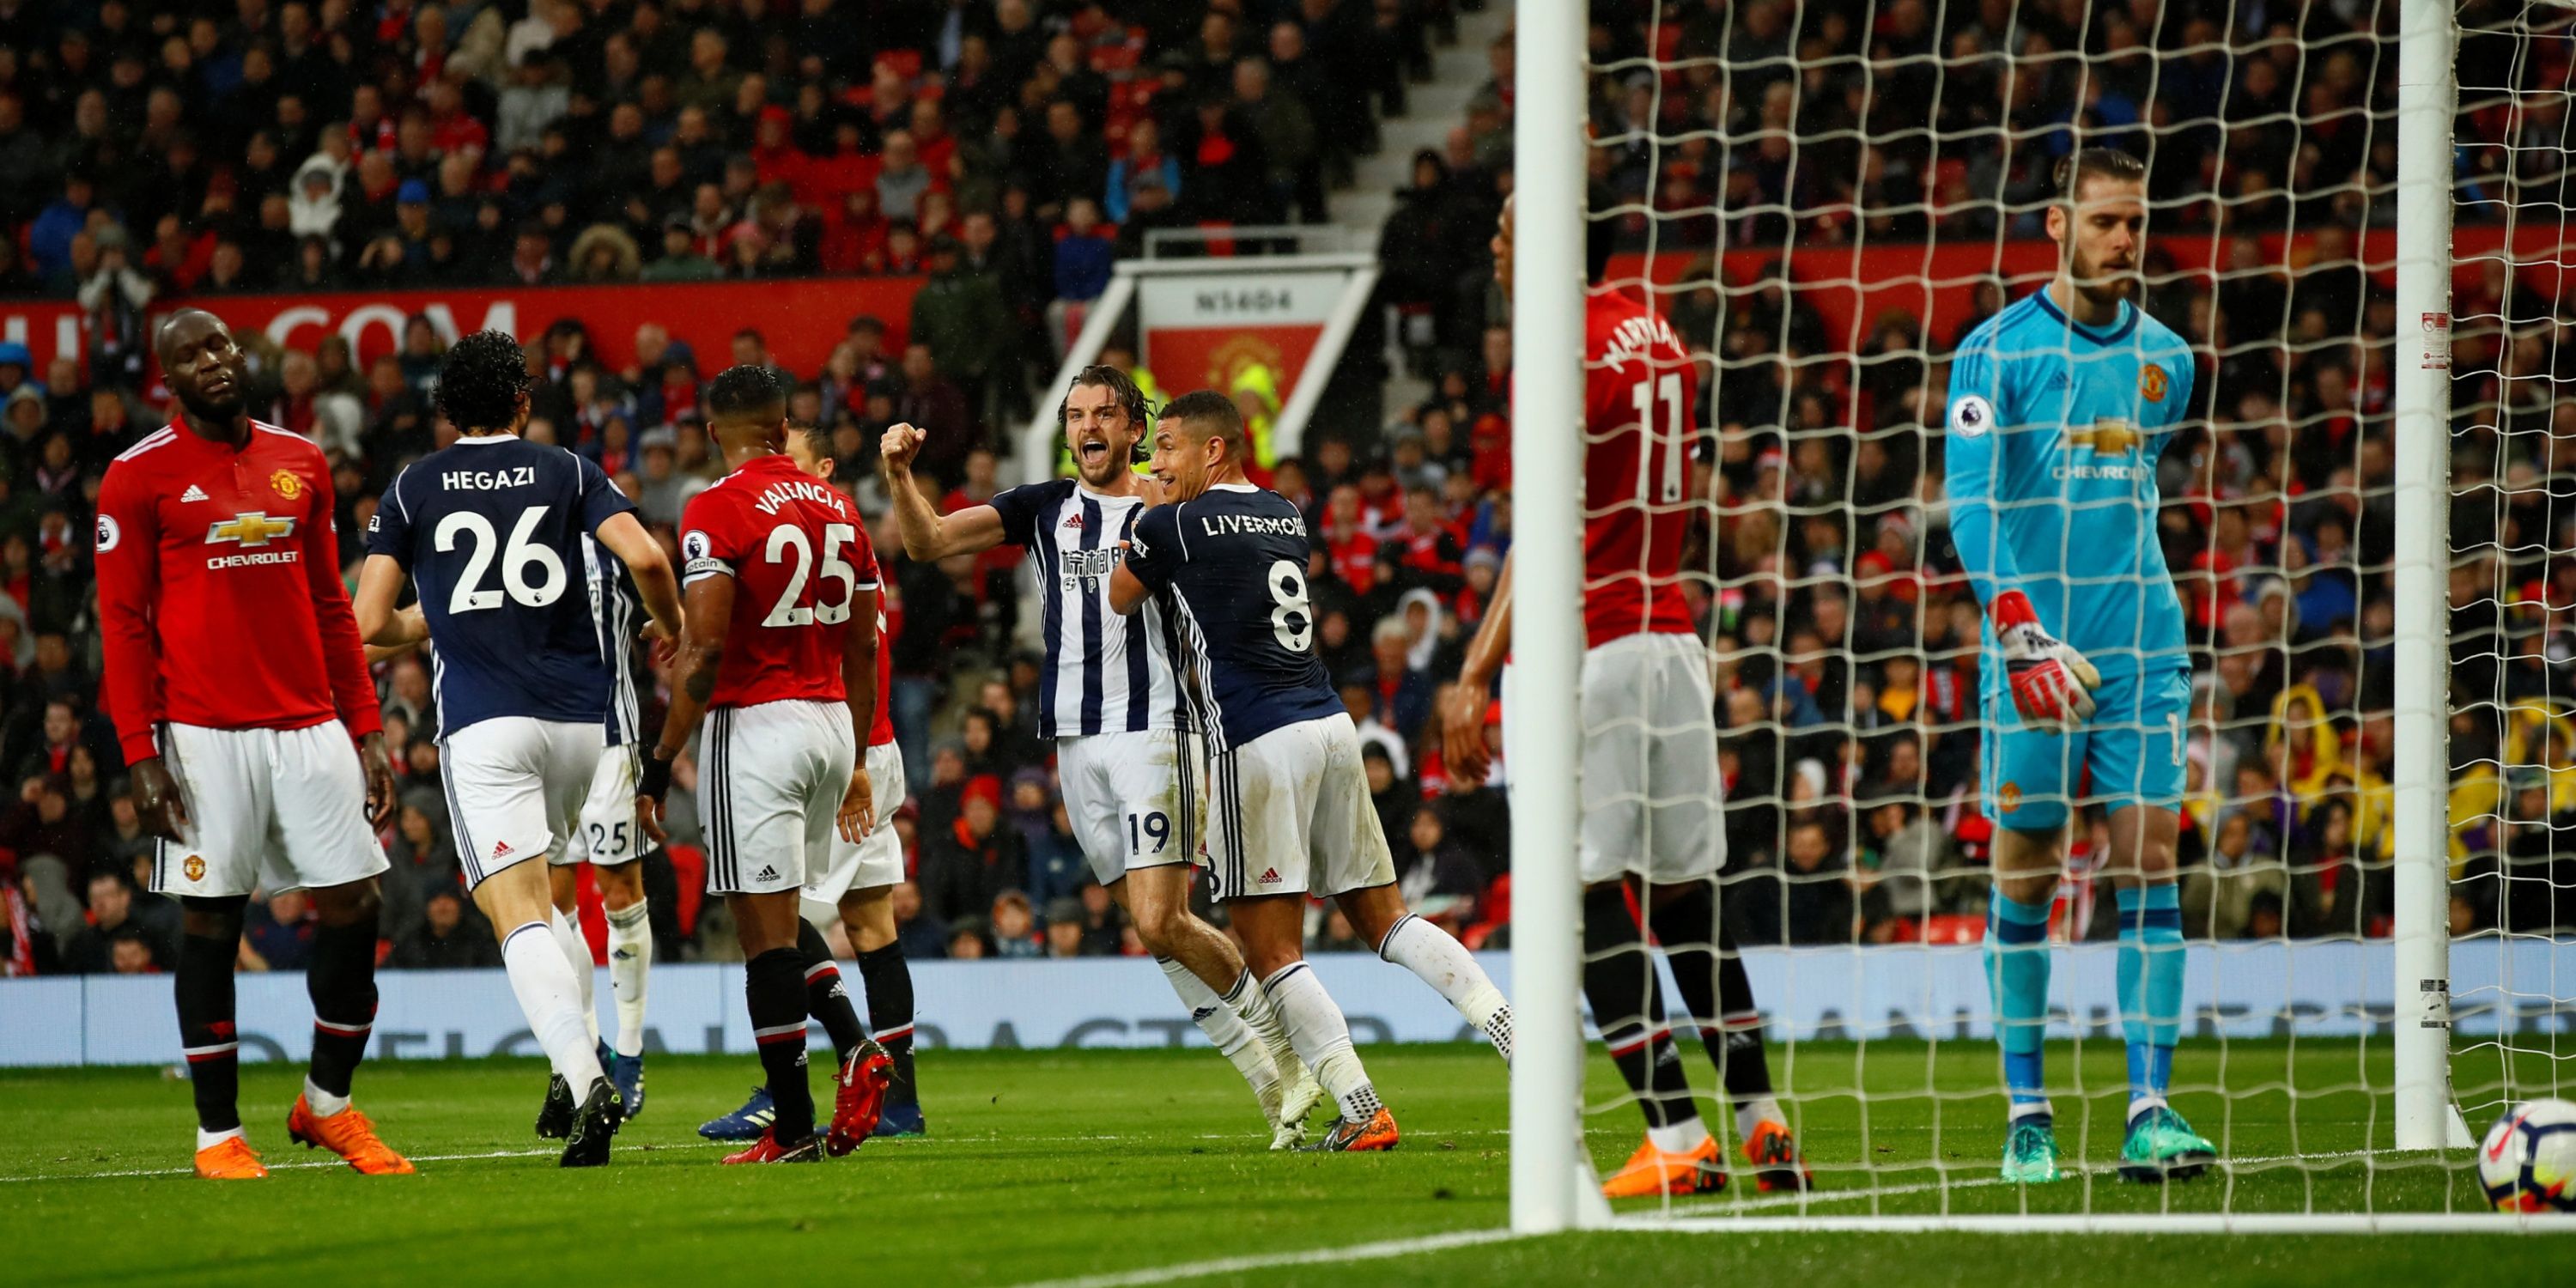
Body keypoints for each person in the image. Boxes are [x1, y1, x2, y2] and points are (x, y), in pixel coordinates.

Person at [1441, 197, 1808, 1200]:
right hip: (1673, 638)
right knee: (1687, 894)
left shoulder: (1561, 352)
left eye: (1511, 227)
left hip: (1589, 646)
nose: (1496, 240)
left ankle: (1678, 1133)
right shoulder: (1660, 334)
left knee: (1581, 896)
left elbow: (1545, 529)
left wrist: (1475, 673)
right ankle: (1764, 1124)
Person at [879, 366, 1320, 1148]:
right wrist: (900, 475)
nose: (1088, 428)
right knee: (1149, 929)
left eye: (1104, 415)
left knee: (1161, 917)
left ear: (1133, 429)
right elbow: (929, 542)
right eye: (1076, 414)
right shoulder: (1044, 506)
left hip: (1158, 729)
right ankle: (1266, 1077)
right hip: (1076, 744)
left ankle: (1287, 1047)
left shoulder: (1173, 502)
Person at [1109, 391, 1511, 1153]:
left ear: (1214, 451)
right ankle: (1507, 1026)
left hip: (1258, 739)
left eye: (1166, 448)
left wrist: (1147, 513)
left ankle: (1362, 1108)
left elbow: (1122, 594)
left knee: (1270, 950)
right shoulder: (1286, 512)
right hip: (1330, 724)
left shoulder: (1170, 523)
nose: (1153, 463)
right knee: (1385, 918)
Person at [1943, 147, 2214, 1185]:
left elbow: (2132, 489)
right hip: (2032, 656)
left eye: (2136, 222)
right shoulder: (1992, 353)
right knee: (2028, 877)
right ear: (2058, 225)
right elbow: (1970, 505)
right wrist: (2016, 627)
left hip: (2142, 647)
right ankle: (2029, 1112)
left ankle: (2151, 1105)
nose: (2125, 241)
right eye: (2106, 222)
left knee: (2151, 864)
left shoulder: (2169, 360)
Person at [353, 329, 683, 1167]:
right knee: (557, 903)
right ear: (524, 404)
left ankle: (584, 1073)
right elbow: (645, 554)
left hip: (486, 724)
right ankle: (579, 1066)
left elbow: (366, 628)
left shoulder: (415, 485)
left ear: (443, 413)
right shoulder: (567, 469)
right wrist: (672, 628)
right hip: (581, 727)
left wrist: (434, 619)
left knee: (516, 910)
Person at [94, 308, 409, 1179]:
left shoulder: (300, 462)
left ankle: (328, 1106)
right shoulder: (135, 478)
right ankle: (217, 1136)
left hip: (311, 726)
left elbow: (332, 608)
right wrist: (139, 754)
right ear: (169, 380)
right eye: (191, 355)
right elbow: (121, 626)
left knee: (356, 906)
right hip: (200, 735)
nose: (214, 363)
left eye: (221, 346)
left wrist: (368, 728)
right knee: (211, 921)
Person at [639, 366, 890, 1164]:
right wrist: (852, 752)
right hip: (827, 724)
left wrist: (661, 758)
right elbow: (863, 644)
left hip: (755, 725)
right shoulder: (842, 508)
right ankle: (853, 1047)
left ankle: (791, 1126)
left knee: (763, 941)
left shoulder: (714, 507)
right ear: (785, 430)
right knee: (780, 925)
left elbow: (706, 650)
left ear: (716, 434)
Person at [702, 422, 931, 1143]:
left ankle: (818, 1071)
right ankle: (899, 1099)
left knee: (775, 911)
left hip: (834, 744)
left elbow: (804, 644)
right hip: (870, 743)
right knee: (870, 921)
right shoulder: (843, 529)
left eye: (789, 454)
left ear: (824, 465)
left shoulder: (797, 534)